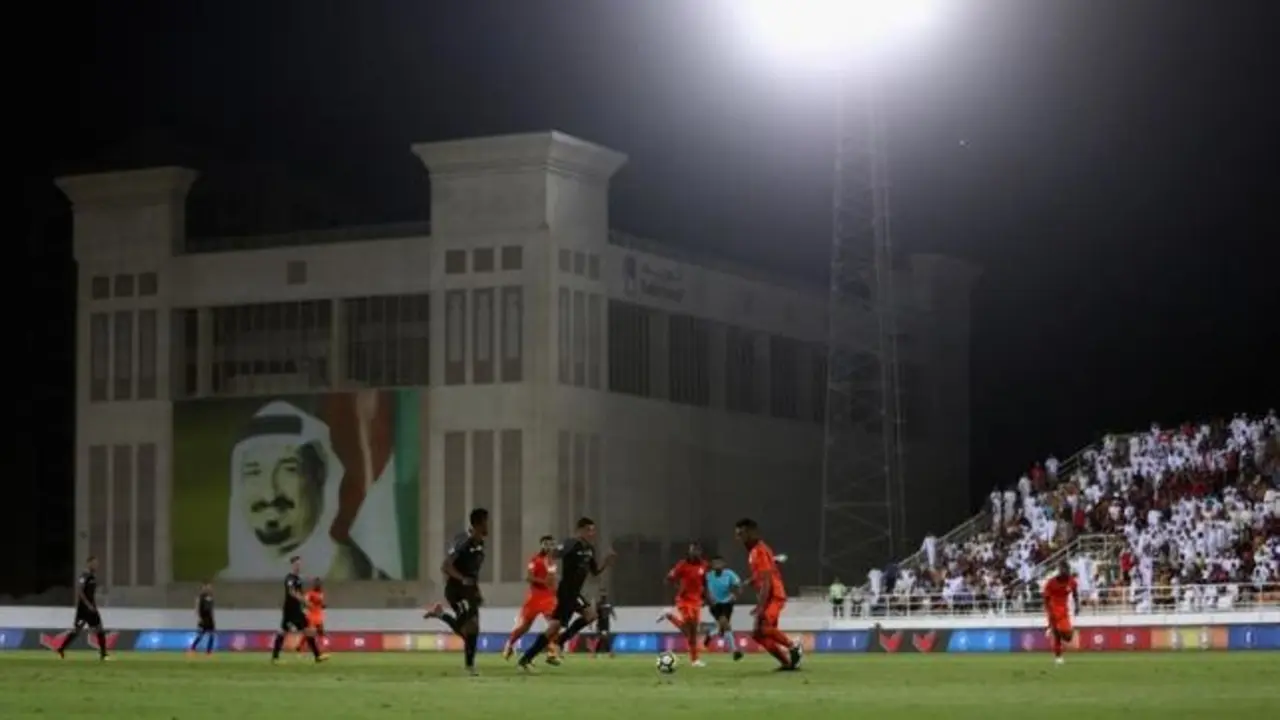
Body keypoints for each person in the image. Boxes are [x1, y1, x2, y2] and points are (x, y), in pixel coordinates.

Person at [518, 517, 616, 671]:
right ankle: (551, 647)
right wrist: (551, 574)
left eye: (593, 530)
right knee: (579, 619)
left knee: (561, 625)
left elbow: (595, 572)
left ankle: (530, 657)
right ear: (581, 530)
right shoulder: (571, 543)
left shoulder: (590, 549)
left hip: (575, 592)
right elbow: (554, 554)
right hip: (566, 591)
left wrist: (606, 562)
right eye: (589, 530)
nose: (592, 533)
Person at [424, 508, 488, 675]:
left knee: (472, 630)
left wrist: (476, 590)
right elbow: (446, 566)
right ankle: (469, 667)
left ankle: (440, 615)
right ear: (478, 524)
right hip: (456, 591)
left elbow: (473, 572)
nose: (488, 526)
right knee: (470, 628)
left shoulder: (479, 543)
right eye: (486, 522)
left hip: (470, 590)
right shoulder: (463, 542)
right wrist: (462, 579)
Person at [736, 518, 801, 671]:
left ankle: (794, 646)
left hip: (774, 595)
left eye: (742, 533)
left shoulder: (759, 550)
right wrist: (749, 581)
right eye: (737, 534)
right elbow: (763, 573)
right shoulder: (754, 552)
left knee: (764, 627)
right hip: (767, 596)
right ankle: (786, 663)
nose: (739, 538)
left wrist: (760, 607)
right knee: (758, 634)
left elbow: (767, 581)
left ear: (752, 532)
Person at [503, 535, 559, 660]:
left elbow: (552, 579)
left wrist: (555, 589)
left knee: (554, 623)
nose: (550, 547)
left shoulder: (552, 561)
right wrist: (544, 582)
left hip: (548, 597)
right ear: (542, 545)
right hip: (535, 597)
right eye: (547, 544)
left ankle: (551, 651)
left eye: (552, 544)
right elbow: (529, 577)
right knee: (525, 627)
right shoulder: (534, 560)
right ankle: (510, 643)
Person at [659, 542, 709, 667]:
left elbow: (704, 582)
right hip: (684, 600)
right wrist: (679, 588)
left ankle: (694, 660)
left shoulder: (704, 565)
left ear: (700, 552)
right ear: (690, 551)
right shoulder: (682, 565)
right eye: (692, 550)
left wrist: (705, 597)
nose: (694, 553)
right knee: (690, 625)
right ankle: (694, 659)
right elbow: (669, 578)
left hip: (697, 601)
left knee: (691, 632)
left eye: (697, 550)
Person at [271, 556, 327, 663]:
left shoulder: (298, 579)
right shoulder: (290, 578)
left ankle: (317, 656)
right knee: (284, 632)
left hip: (296, 609)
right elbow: (292, 592)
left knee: (307, 630)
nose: (298, 566)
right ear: (292, 565)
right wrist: (304, 601)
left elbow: (299, 593)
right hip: (290, 609)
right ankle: (275, 657)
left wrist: (303, 603)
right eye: (296, 564)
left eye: (299, 564)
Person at [55, 556, 110, 660]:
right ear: (88, 563)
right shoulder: (85, 576)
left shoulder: (93, 577)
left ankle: (103, 654)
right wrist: (88, 604)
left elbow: (91, 593)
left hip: (91, 607)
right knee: (77, 631)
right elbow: (80, 591)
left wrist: (95, 603)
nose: (96, 565)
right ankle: (61, 649)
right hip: (84, 609)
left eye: (97, 563)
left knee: (100, 629)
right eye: (94, 563)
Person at [703, 555, 744, 661]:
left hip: (727, 603)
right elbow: (703, 589)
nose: (717, 565)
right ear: (712, 565)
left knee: (723, 628)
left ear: (723, 564)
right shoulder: (708, 576)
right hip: (714, 604)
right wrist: (706, 599)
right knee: (725, 624)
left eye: (719, 563)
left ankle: (711, 634)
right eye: (715, 563)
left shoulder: (729, 574)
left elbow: (738, 585)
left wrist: (736, 595)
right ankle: (734, 651)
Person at [1043, 561, 1079, 665]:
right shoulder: (1051, 583)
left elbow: (1075, 593)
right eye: (1062, 570)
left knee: (1068, 637)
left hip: (1064, 610)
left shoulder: (1072, 582)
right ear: (1059, 570)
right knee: (1057, 635)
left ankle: (1053, 629)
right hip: (1053, 609)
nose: (1065, 572)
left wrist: (1077, 605)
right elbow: (1045, 598)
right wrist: (1048, 611)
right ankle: (1058, 657)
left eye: (1066, 570)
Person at [298, 579, 327, 654]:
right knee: (310, 632)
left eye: (319, 584)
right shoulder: (310, 593)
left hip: (319, 614)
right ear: (314, 585)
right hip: (311, 615)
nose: (318, 585)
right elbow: (305, 601)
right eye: (316, 584)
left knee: (320, 630)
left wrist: (323, 606)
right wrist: (307, 606)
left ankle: (321, 647)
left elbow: (320, 603)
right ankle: (301, 646)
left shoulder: (321, 593)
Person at [189, 582, 216, 655]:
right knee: (200, 635)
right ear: (203, 587)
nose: (209, 588)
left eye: (210, 587)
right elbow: (197, 608)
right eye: (207, 587)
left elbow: (211, 609)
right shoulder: (200, 597)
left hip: (210, 619)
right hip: (203, 618)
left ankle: (209, 652)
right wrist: (199, 618)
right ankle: (192, 649)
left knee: (212, 635)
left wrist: (212, 618)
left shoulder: (211, 597)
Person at [591, 592, 616, 658]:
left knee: (602, 638)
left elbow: (595, 614)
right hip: (604, 624)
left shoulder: (599, 604)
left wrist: (591, 623)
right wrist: (614, 616)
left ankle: (596, 653)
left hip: (602, 624)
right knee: (603, 638)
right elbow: (612, 611)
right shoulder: (608, 604)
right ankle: (610, 652)